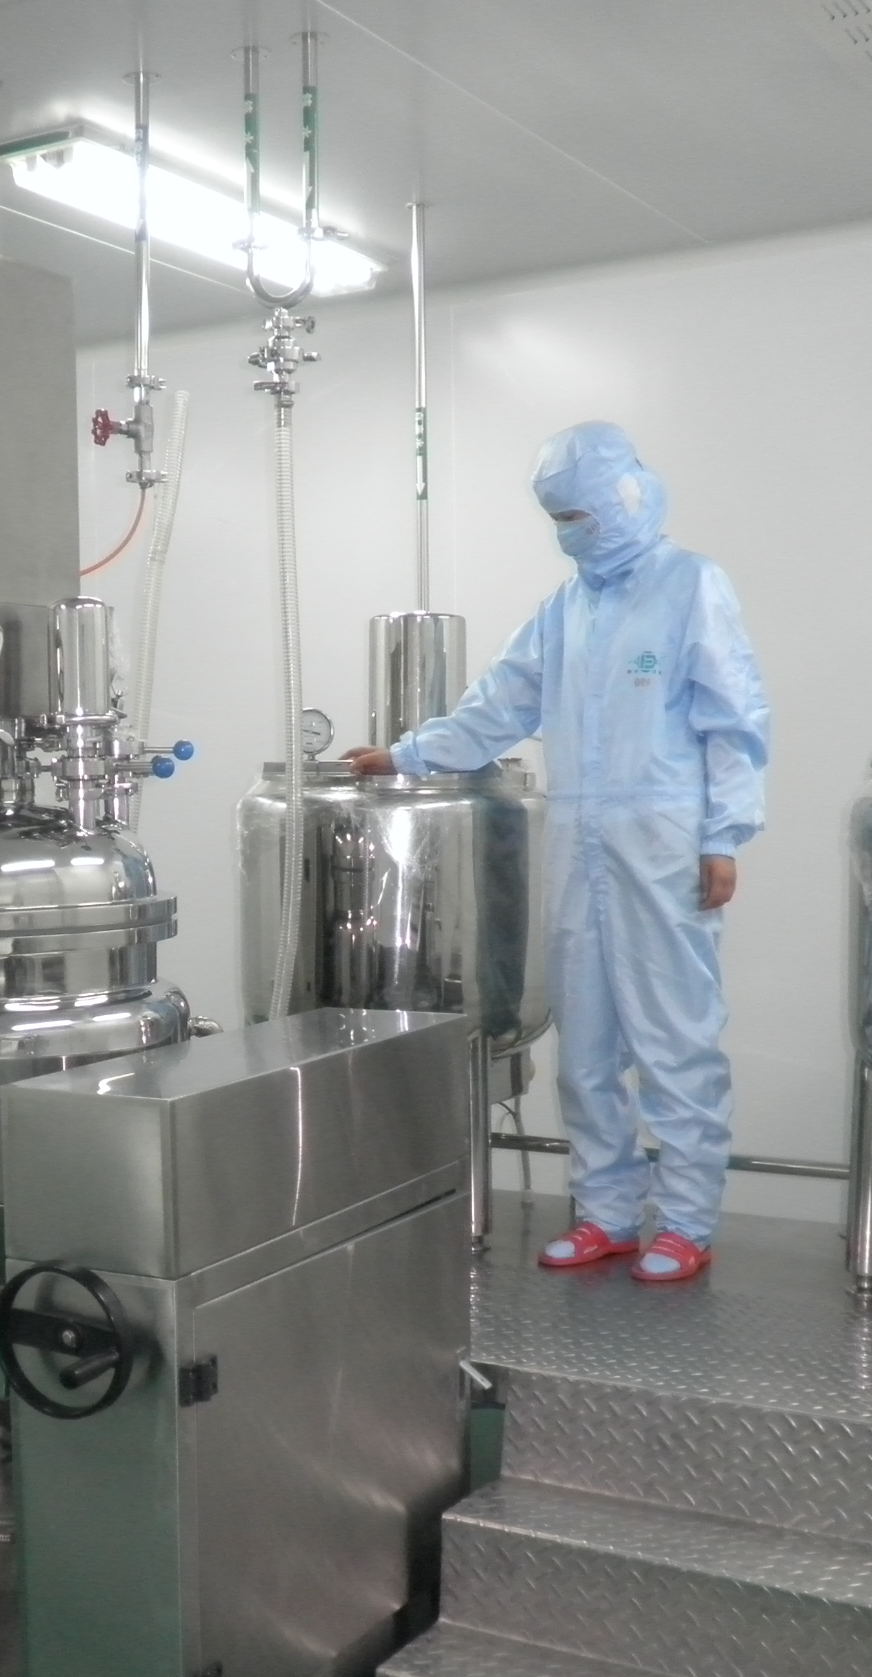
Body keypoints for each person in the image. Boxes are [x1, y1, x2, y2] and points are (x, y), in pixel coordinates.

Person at [348, 423, 769, 1282]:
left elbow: (734, 716)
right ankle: (606, 1212)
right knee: (585, 1044)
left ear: (624, 500)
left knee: (675, 1037)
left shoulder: (691, 585)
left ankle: (685, 1222)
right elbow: (501, 702)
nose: (569, 532)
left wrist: (724, 834)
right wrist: (407, 754)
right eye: (558, 518)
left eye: (579, 514)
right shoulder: (565, 609)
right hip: (577, 839)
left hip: (662, 840)